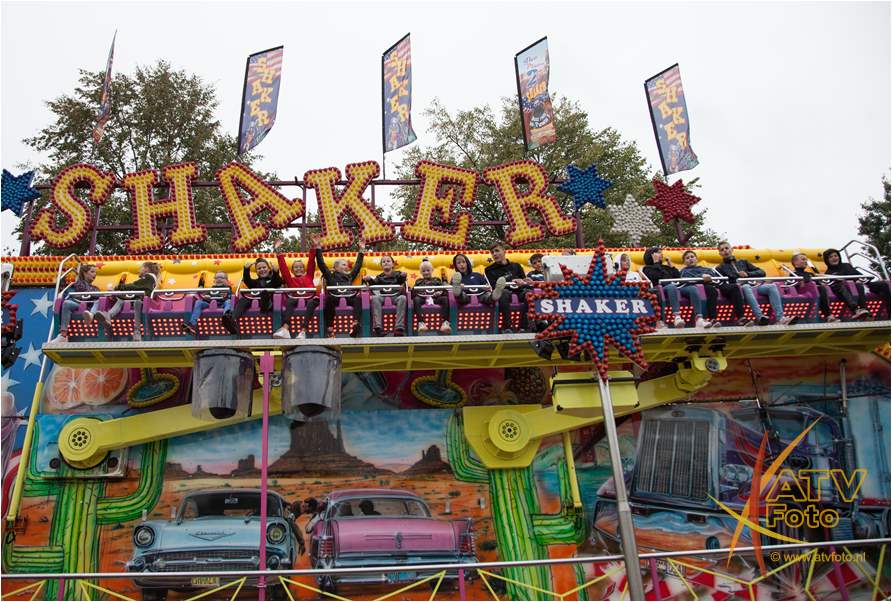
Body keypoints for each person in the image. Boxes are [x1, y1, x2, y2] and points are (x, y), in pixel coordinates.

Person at [716, 241, 796, 326]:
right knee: (746, 287)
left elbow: (762, 272)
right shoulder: (720, 268)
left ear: (732, 250)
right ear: (720, 253)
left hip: (754, 286)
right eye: (722, 250)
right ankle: (760, 317)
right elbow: (724, 284)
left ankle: (780, 318)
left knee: (771, 287)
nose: (725, 251)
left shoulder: (743, 262)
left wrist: (748, 274)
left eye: (726, 248)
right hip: (741, 289)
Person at [95, 261, 161, 342]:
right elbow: (136, 287)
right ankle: (108, 315)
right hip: (141, 300)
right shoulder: (148, 279)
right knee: (121, 300)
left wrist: (118, 287)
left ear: (146, 269)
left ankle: (137, 331)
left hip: (144, 303)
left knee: (136, 302)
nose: (138, 271)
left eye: (141, 268)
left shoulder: (149, 277)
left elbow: (134, 286)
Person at [642, 247, 707, 328]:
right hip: (662, 289)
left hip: (676, 287)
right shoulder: (647, 268)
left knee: (693, 288)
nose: (661, 254)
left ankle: (699, 318)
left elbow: (678, 277)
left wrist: (671, 265)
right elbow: (658, 277)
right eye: (658, 252)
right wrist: (656, 263)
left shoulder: (665, 267)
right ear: (652, 255)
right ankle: (677, 316)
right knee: (671, 287)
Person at [274, 235, 321, 339]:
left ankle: (303, 331)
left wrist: (313, 247)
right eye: (296, 267)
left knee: (311, 302)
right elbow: (283, 268)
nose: (298, 268)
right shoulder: (290, 280)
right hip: (296, 298)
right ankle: (285, 329)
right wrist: (278, 251)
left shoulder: (309, 276)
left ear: (304, 269)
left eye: (300, 267)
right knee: (290, 301)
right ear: (292, 270)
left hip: (310, 299)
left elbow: (311, 262)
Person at [316, 240, 366, 337]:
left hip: (349, 296)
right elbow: (321, 265)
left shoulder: (350, 276)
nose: (347, 267)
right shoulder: (330, 276)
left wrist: (361, 250)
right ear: (336, 267)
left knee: (358, 299)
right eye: (344, 264)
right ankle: (330, 327)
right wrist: (318, 248)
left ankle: (355, 324)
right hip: (335, 297)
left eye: (347, 265)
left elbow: (357, 266)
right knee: (329, 299)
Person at [223, 258, 283, 335]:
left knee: (264, 292)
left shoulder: (273, 281)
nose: (262, 269)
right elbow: (248, 281)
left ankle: (264, 309)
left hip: (268, 304)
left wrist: (275, 272)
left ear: (269, 269)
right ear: (256, 272)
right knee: (244, 299)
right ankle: (232, 320)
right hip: (256, 302)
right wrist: (246, 269)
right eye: (259, 268)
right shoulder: (256, 282)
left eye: (264, 267)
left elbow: (277, 282)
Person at [484, 242, 530, 333]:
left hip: (519, 292)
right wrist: (511, 281)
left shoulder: (516, 266)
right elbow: (494, 287)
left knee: (529, 293)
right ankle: (507, 327)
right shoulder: (489, 270)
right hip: (504, 294)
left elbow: (524, 281)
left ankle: (524, 327)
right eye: (492, 252)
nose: (494, 254)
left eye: (497, 251)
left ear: (504, 251)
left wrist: (523, 281)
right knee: (503, 293)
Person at [821, 248, 877, 321]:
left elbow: (860, 276)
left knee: (860, 285)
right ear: (827, 260)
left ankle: (864, 310)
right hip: (841, 290)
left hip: (855, 287)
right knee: (841, 286)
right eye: (830, 257)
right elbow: (831, 284)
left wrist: (859, 280)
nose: (834, 258)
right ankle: (855, 309)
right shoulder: (828, 273)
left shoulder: (847, 266)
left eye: (835, 256)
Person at [52, 264, 100, 343]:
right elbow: (86, 293)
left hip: (90, 307)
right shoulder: (79, 283)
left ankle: (91, 315)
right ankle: (63, 335)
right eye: (92, 272)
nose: (95, 274)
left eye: (95, 272)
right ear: (84, 273)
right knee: (67, 303)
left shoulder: (96, 288)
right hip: (80, 305)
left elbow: (95, 296)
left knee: (99, 301)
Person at [363, 254, 408, 337]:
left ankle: (399, 328)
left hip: (395, 296)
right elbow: (374, 283)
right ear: (381, 266)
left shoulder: (398, 274)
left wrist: (403, 276)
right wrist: (369, 279)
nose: (386, 263)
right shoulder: (379, 277)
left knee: (403, 298)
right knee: (375, 298)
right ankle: (377, 328)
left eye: (388, 261)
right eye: (383, 262)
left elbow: (400, 280)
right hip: (383, 296)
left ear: (393, 264)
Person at [181, 271, 233, 336]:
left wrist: (225, 297)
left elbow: (230, 297)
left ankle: (226, 318)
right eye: (217, 278)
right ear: (214, 280)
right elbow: (205, 298)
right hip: (210, 304)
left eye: (221, 278)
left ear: (227, 280)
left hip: (222, 304)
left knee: (228, 302)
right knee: (199, 302)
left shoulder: (227, 288)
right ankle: (192, 325)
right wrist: (206, 298)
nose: (219, 279)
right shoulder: (211, 289)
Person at [789, 253, 838, 323]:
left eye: (806, 260)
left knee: (823, 288)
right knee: (821, 288)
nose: (805, 261)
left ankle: (828, 315)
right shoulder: (793, 275)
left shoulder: (810, 274)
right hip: (805, 293)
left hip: (815, 292)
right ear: (795, 263)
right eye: (803, 259)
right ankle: (828, 315)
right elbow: (794, 285)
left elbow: (818, 282)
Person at [679, 250, 721, 328]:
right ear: (684, 262)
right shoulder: (684, 271)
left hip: (706, 286)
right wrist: (701, 276)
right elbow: (685, 280)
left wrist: (708, 277)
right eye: (687, 258)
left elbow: (713, 276)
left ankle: (713, 318)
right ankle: (700, 318)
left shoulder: (706, 269)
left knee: (712, 290)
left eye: (692, 257)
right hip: (693, 287)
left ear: (696, 259)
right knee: (698, 290)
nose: (690, 259)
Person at [412, 260, 451, 334]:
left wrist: (439, 292)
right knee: (416, 299)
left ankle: (445, 322)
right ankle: (421, 323)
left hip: (435, 298)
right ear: (421, 272)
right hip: (423, 298)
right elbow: (414, 292)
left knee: (445, 299)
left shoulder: (437, 280)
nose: (426, 272)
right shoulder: (419, 281)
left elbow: (443, 290)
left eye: (428, 270)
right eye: (423, 271)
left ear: (432, 270)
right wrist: (418, 292)